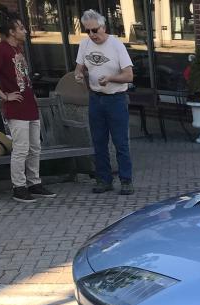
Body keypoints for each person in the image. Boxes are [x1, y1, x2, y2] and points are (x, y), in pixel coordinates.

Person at [0, 7, 57, 203]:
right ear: (12, 32)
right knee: (21, 148)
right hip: (16, 108)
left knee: (34, 147)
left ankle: (34, 183)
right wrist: (4, 95)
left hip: (29, 105)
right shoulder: (1, 49)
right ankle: (19, 187)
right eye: (21, 28)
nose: (25, 31)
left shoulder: (18, 49)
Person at [74, 9, 135, 194]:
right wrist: (78, 75)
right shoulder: (84, 45)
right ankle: (104, 180)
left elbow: (129, 75)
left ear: (103, 27)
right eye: (88, 31)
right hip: (96, 98)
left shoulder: (116, 45)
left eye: (95, 30)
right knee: (99, 142)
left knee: (120, 142)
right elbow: (79, 68)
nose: (92, 35)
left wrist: (110, 78)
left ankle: (126, 181)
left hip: (116, 99)